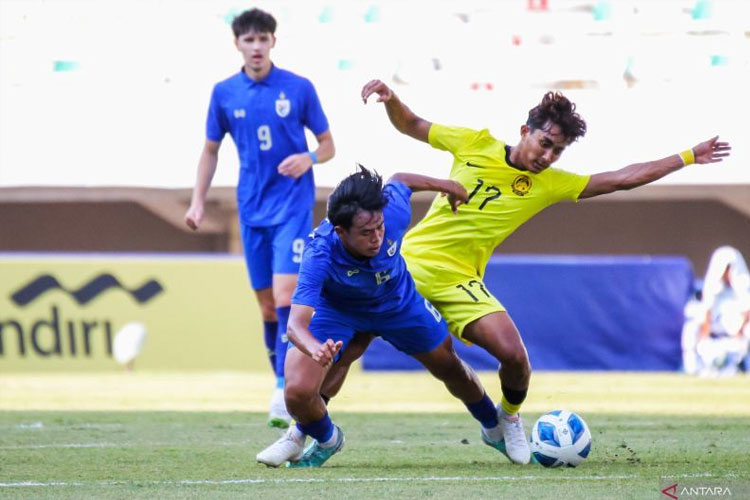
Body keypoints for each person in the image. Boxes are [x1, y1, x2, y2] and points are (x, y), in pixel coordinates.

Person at [343, 78, 732, 464]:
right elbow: (412, 124)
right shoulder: (475, 143)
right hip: (410, 264)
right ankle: (306, 428)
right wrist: (391, 99)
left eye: (558, 151)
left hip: (461, 279)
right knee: (351, 341)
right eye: (545, 143)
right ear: (525, 131)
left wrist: (688, 156)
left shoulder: (549, 184)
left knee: (514, 357)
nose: (548, 156)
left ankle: (508, 417)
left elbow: (622, 179)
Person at [256, 166, 514, 468]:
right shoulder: (319, 251)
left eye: (379, 227)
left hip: (398, 303)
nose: (377, 237)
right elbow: (295, 325)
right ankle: (327, 438)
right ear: (340, 231)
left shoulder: (391, 212)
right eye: (366, 232)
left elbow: (402, 179)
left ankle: (494, 428)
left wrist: (448, 185)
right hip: (340, 311)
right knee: (297, 393)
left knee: (449, 365)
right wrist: (315, 348)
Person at [184, 9, 335, 428]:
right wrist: (198, 201)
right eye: (248, 40)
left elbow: (327, 145)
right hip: (251, 209)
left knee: (287, 298)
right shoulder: (224, 93)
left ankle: (286, 388)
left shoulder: (298, 88)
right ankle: (278, 382)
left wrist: (307, 158)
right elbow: (210, 150)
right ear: (237, 44)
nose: (256, 47)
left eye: (263, 39)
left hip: (292, 206)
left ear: (273, 42)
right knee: (268, 308)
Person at [683, 246, 750, 376]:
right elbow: (707, 309)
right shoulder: (712, 285)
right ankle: (692, 368)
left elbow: (747, 310)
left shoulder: (744, 285)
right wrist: (705, 332)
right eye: (725, 268)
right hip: (717, 325)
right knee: (690, 328)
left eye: (730, 268)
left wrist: (740, 330)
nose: (728, 272)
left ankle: (743, 366)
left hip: (736, 325)